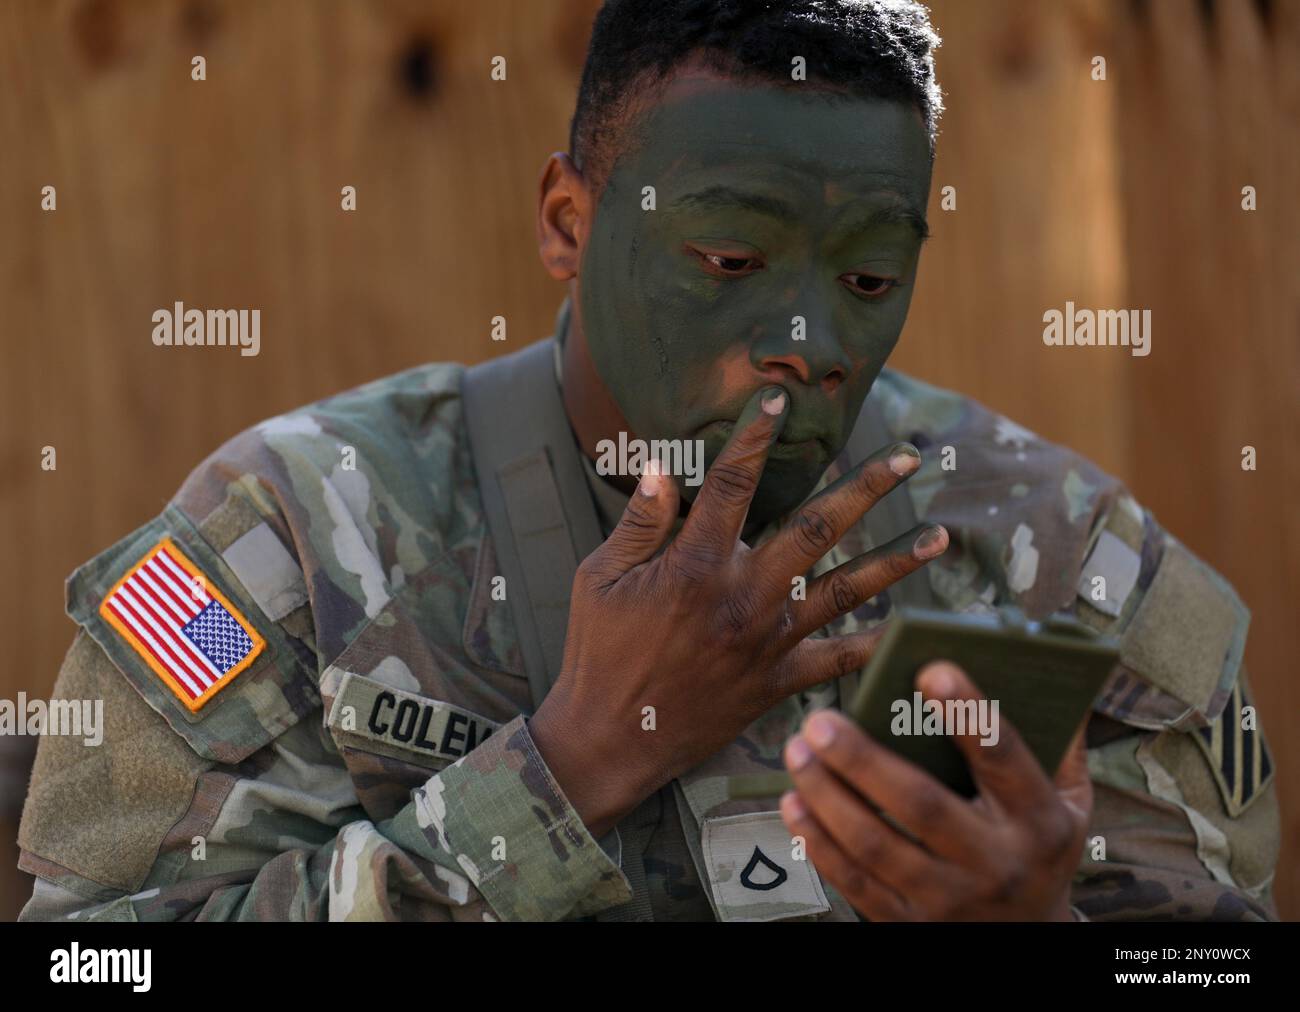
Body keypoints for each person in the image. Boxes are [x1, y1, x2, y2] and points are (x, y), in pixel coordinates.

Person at [17, 0, 1278, 922]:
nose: (808, 344)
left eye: (869, 279)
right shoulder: (299, 533)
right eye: (730, 261)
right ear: (569, 221)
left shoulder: (1057, 549)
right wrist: (568, 768)